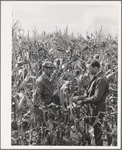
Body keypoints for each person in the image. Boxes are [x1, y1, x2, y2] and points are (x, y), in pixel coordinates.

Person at [73, 60, 109, 146]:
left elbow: (97, 97)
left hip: (98, 109)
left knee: (98, 133)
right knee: (93, 130)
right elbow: (90, 94)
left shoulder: (101, 79)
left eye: (90, 68)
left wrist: (82, 102)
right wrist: (80, 97)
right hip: (94, 108)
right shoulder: (97, 78)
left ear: (95, 68)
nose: (89, 70)